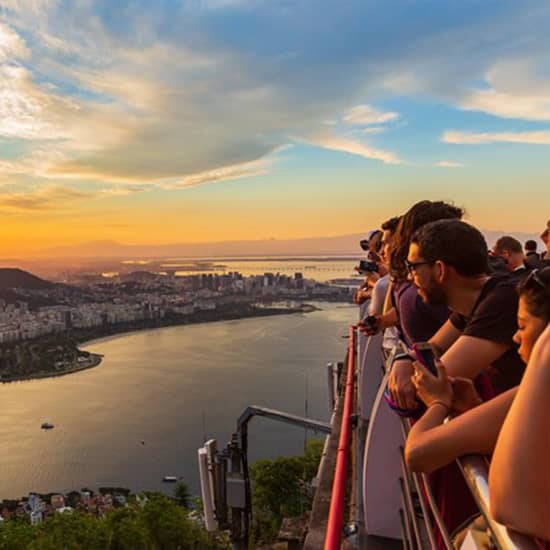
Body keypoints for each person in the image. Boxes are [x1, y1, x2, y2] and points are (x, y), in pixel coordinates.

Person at [405, 266, 550, 477]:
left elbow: (418, 454)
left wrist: (438, 402)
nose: (515, 338)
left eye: (521, 326)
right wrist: (474, 409)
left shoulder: (537, 396)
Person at [401, 219, 525, 398]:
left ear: (439, 269)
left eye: (412, 267)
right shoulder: (475, 301)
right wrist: (403, 359)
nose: (409, 276)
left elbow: (434, 385)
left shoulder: (502, 302)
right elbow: (434, 346)